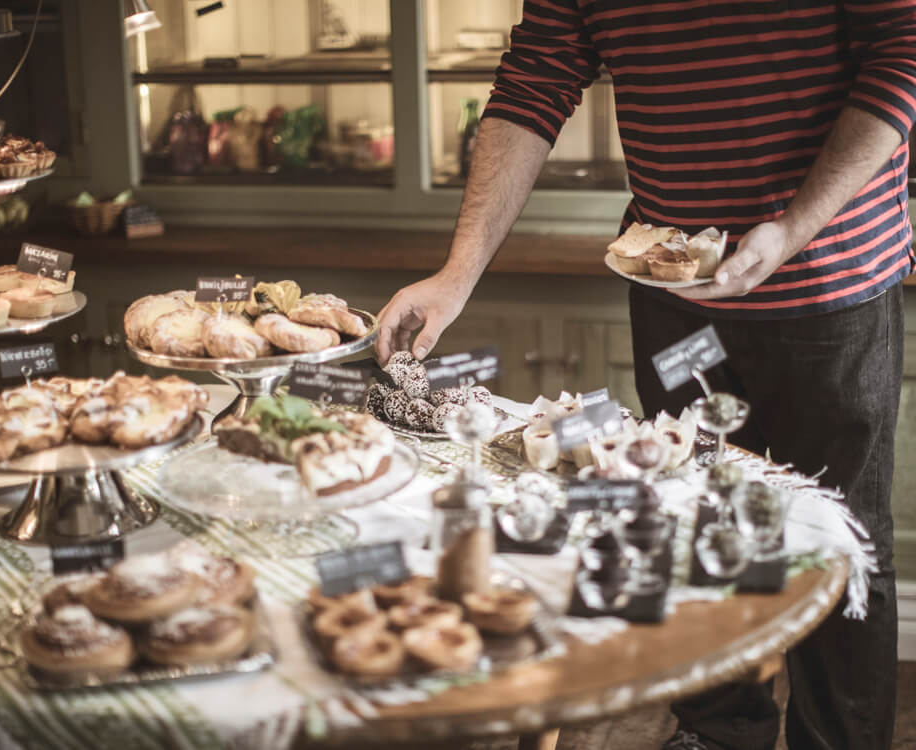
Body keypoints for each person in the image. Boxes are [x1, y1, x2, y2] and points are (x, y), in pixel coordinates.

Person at [376, 2, 916, 749]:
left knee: (840, 544)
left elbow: (901, 52)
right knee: (692, 519)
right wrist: (456, 274)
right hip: (677, 305)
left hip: (829, 289)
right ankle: (717, 734)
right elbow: (536, 76)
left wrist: (792, 230)